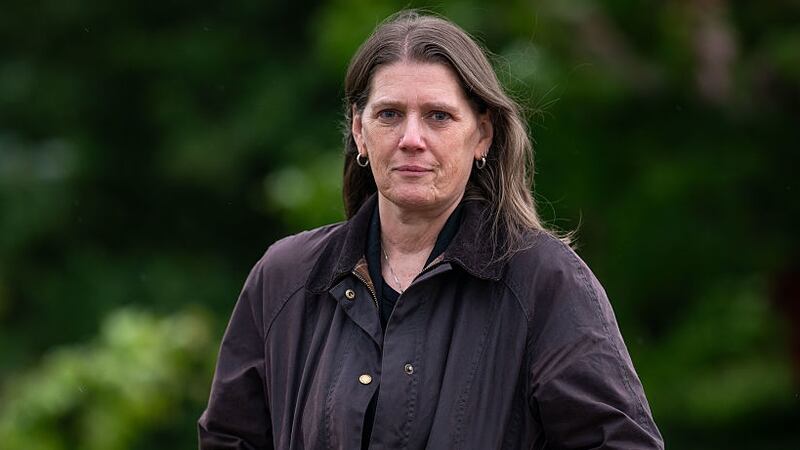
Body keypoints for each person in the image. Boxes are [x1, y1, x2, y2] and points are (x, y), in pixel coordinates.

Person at [198, 10, 664, 450]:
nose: (411, 139)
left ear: (482, 135)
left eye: (438, 116)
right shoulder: (286, 278)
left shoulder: (545, 282)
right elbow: (229, 439)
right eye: (389, 114)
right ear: (359, 131)